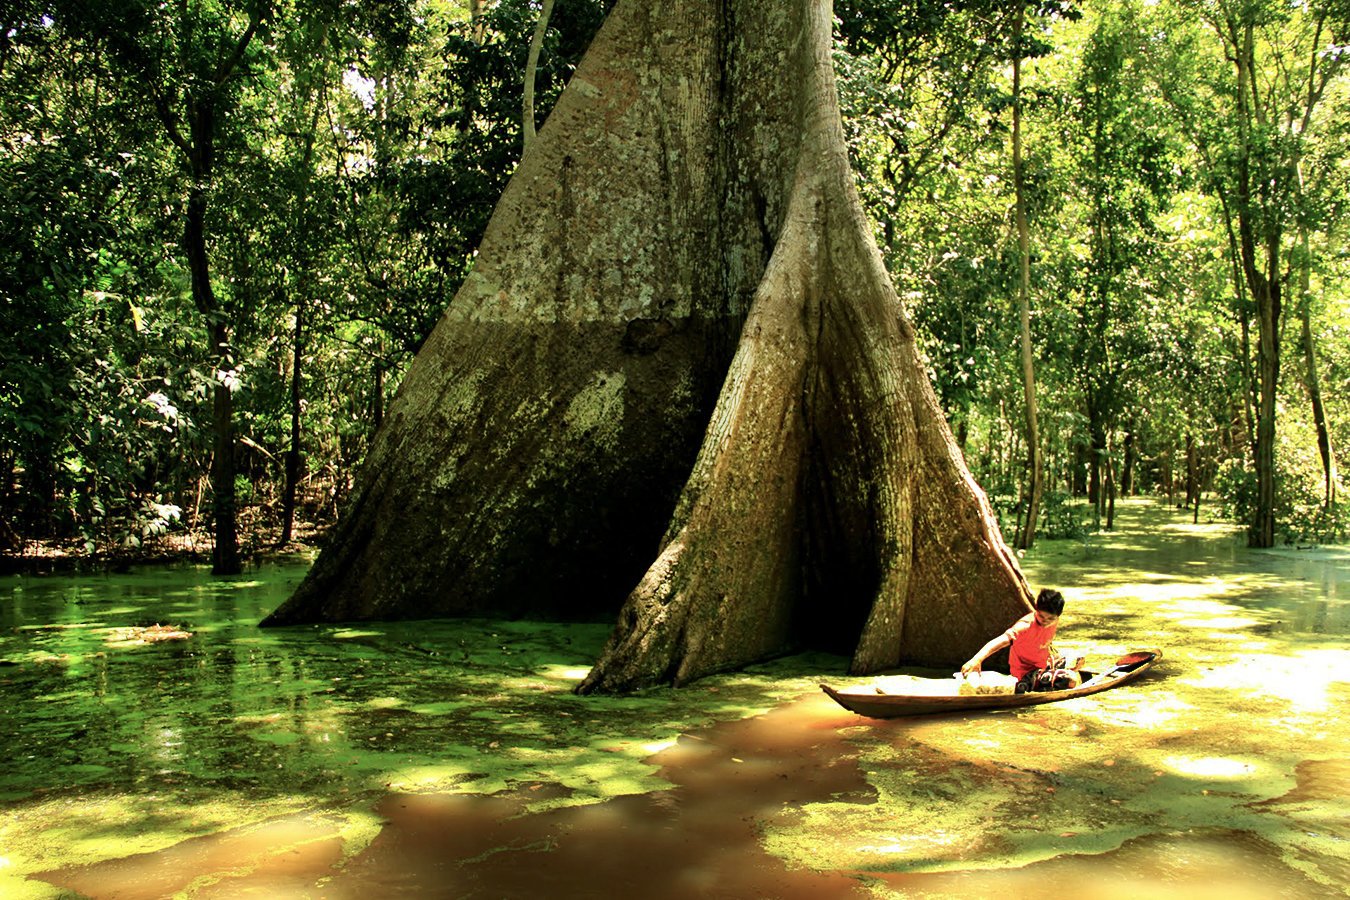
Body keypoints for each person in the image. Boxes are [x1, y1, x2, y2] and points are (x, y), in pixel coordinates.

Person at [960, 588, 1083, 691]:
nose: (1045, 621)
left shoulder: (1054, 621)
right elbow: (1001, 640)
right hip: (1026, 673)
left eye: (1050, 619)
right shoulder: (1025, 626)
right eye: (1041, 616)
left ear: (1057, 617)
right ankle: (1033, 683)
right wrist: (977, 659)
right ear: (1036, 610)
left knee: (1079, 659)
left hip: (1043, 664)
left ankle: (1050, 676)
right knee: (1070, 680)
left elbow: (1043, 642)